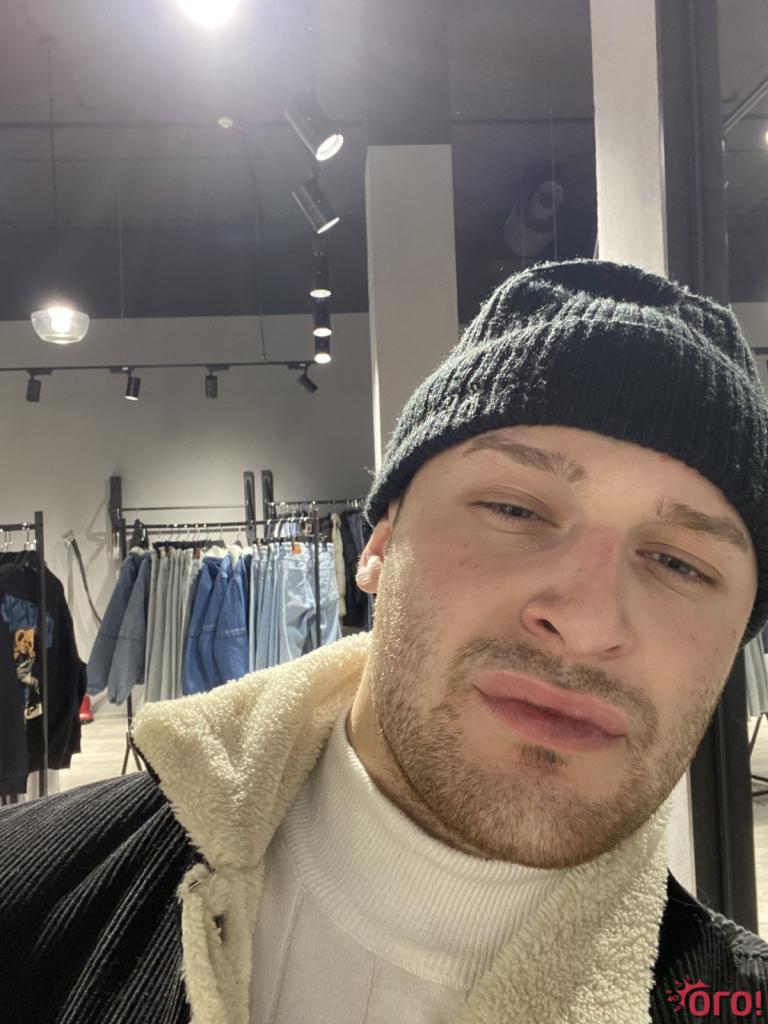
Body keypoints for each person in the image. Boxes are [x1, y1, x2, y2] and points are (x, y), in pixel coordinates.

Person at [2, 258, 768, 1024]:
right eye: (514, 510)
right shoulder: (28, 900)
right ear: (379, 544)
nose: (589, 623)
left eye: (680, 564)